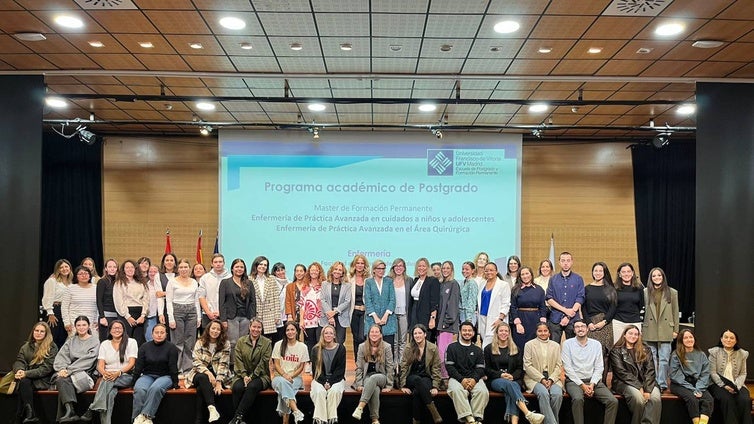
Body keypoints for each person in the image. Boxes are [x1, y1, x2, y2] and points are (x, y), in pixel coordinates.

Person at [485, 322, 545, 424]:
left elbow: (520, 369)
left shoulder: (516, 349)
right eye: (501, 331)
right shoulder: (488, 349)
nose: (503, 333)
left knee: (511, 390)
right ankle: (527, 413)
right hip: (496, 380)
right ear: (497, 333)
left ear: (509, 333)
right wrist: (500, 375)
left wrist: (512, 376)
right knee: (511, 385)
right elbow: (487, 369)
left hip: (513, 379)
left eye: (506, 331)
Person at [79, 319, 138, 424]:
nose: (117, 330)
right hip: (108, 376)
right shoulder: (105, 344)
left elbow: (131, 363)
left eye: (119, 328)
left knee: (107, 382)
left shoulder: (131, 342)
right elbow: (100, 365)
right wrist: (104, 373)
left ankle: (92, 408)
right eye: (114, 328)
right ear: (110, 330)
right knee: (109, 395)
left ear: (124, 330)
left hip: (125, 375)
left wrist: (118, 373)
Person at [561, 320, 618, 424]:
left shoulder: (596, 344)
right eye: (577, 327)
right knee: (578, 399)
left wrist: (592, 384)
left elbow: (599, 367)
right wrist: (582, 385)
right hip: (574, 381)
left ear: (587, 329)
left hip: (593, 381)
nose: (580, 329)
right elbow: (568, 369)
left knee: (612, 401)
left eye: (582, 326)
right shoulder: (567, 344)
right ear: (574, 330)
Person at [608, 325, 661, 424]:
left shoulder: (646, 349)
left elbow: (650, 370)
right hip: (623, 382)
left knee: (655, 398)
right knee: (638, 399)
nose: (633, 336)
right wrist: (639, 387)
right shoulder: (616, 350)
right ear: (624, 335)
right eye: (630, 333)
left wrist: (648, 389)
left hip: (646, 382)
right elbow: (621, 372)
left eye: (636, 334)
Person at [7, 322, 58, 424]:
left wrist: (26, 373)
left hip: (43, 379)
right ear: (33, 332)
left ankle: (20, 416)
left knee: (24, 382)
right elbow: (19, 361)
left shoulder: (52, 347)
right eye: (36, 330)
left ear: (46, 333)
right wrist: (19, 370)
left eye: (42, 331)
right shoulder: (26, 346)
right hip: (27, 377)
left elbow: (46, 369)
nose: (38, 333)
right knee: (24, 382)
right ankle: (30, 415)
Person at [52, 316, 99, 423]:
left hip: (86, 374)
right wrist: (62, 369)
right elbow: (61, 357)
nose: (81, 327)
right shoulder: (71, 341)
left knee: (61, 381)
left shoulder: (94, 341)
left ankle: (66, 414)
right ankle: (69, 412)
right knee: (61, 380)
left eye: (84, 325)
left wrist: (69, 371)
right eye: (78, 325)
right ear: (75, 327)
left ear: (88, 326)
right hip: (68, 373)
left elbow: (88, 361)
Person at [131, 324, 180, 424]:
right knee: (140, 389)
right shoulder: (144, 347)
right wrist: (133, 382)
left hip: (165, 376)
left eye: (162, 333)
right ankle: (136, 420)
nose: (159, 335)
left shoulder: (171, 348)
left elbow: (173, 367)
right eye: (156, 332)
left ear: (166, 334)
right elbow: (139, 366)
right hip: (147, 375)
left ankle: (146, 416)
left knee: (155, 388)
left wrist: (175, 383)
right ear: (152, 334)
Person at [185, 319, 232, 424]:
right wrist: (208, 373)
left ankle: (199, 420)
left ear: (221, 332)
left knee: (201, 389)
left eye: (218, 329)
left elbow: (224, 364)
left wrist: (219, 381)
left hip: (218, 373)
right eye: (213, 328)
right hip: (200, 372)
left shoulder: (226, 344)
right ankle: (212, 407)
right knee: (202, 378)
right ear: (208, 329)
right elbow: (196, 361)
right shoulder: (200, 341)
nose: (215, 331)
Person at [642, 267, 679, 391]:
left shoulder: (672, 292)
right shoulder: (645, 292)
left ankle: (662, 383)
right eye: (654, 276)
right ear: (650, 278)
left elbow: (675, 311)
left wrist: (676, 330)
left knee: (664, 359)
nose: (657, 278)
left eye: (659, 275)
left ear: (663, 277)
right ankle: (652, 383)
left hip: (666, 329)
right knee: (651, 359)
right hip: (650, 329)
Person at [229, 318, 272, 424]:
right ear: (249, 327)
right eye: (254, 327)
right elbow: (237, 360)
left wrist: (252, 377)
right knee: (237, 387)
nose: (256, 329)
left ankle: (237, 417)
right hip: (241, 374)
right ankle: (241, 420)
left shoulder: (267, 343)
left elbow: (264, 363)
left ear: (262, 329)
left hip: (260, 376)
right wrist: (244, 375)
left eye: (259, 327)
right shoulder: (241, 341)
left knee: (252, 386)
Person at [445, 321, 489, 424]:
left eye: (469, 331)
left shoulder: (478, 350)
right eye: (464, 330)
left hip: (475, 378)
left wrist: (474, 379)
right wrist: (461, 379)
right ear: (460, 332)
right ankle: (469, 418)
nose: (467, 333)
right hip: (456, 378)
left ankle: (476, 418)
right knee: (456, 390)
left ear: (473, 333)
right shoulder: (451, 347)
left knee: (483, 392)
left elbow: (480, 369)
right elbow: (450, 368)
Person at [400, 324, 443, 424]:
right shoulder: (408, 347)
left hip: (426, 377)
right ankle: (434, 411)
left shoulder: (433, 348)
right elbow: (404, 367)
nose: (417, 335)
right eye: (415, 333)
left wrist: (435, 386)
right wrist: (403, 385)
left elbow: (436, 369)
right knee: (416, 380)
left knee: (417, 392)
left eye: (420, 333)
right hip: (411, 377)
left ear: (425, 334)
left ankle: (416, 421)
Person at [352, 324, 394, 424]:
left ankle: (360, 407)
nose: (374, 334)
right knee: (374, 389)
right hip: (367, 376)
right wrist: (359, 384)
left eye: (376, 332)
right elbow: (359, 367)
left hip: (381, 376)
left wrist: (389, 385)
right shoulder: (362, 347)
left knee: (374, 378)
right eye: (372, 332)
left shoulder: (386, 346)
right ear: (368, 334)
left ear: (380, 335)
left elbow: (390, 366)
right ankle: (375, 419)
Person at [670, 329, 713, 424]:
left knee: (708, 400)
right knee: (692, 399)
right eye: (686, 338)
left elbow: (705, 373)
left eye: (691, 337)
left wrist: (698, 388)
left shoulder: (701, 354)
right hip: (680, 384)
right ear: (681, 340)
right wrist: (693, 390)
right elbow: (675, 375)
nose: (689, 340)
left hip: (697, 383)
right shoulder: (675, 354)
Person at [166, 258, 201, 374]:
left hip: (191, 312)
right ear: (177, 268)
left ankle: (188, 369)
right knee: (178, 342)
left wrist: (199, 317)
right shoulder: (172, 282)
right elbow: (168, 301)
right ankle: (178, 369)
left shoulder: (194, 282)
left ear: (189, 268)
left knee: (190, 342)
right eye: (181, 267)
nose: (183, 269)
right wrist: (171, 318)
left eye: (186, 267)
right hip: (177, 311)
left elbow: (196, 300)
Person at [523, 323, 563, 424]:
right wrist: (541, 379)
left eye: (545, 331)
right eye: (540, 331)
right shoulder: (529, 345)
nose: (543, 333)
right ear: (536, 332)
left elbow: (559, 366)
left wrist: (551, 379)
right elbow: (527, 365)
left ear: (549, 332)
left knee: (557, 394)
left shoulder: (556, 346)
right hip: (534, 378)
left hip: (553, 378)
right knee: (543, 393)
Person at [708, 329, 750, 424]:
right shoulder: (714, 352)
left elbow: (743, 373)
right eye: (726, 337)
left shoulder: (742, 354)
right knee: (727, 400)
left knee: (745, 400)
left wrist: (737, 386)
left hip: (737, 384)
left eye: (732, 338)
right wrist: (724, 386)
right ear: (721, 339)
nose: (728, 340)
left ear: (736, 341)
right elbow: (712, 373)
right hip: (718, 384)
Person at [271, 322, 308, 424]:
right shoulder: (278, 345)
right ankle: (296, 411)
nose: (290, 332)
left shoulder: (303, 347)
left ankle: (286, 421)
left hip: (295, 378)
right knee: (284, 384)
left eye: (292, 330)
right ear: (285, 332)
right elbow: (276, 365)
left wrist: (290, 376)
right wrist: (284, 375)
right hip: (279, 377)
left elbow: (301, 367)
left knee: (284, 389)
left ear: (297, 331)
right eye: (288, 330)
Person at [219, 258, 257, 358]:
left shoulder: (249, 283)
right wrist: (223, 320)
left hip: (246, 317)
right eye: (237, 267)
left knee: (244, 343)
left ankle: (242, 366)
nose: (239, 269)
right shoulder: (225, 283)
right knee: (233, 343)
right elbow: (221, 302)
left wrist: (252, 318)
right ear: (232, 269)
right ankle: (233, 366)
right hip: (231, 318)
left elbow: (253, 302)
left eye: (241, 267)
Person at [310, 325, 347, 424]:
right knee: (319, 392)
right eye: (326, 333)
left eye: (331, 333)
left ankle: (331, 420)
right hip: (319, 379)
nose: (328, 335)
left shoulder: (341, 349)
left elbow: (340, 371)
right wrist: (324, 382)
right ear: (322, 335)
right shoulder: (316, 349)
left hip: (336, 379)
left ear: (334, 335)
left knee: (334, 392)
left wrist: (329, 382)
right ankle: (321, 421)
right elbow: (315, 372)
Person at [546, 252, 585, 342]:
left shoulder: (578, 278)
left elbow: (580, 298)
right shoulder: (553, 279)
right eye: (563, 261)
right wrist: (566, 311)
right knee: (554, 347)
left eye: (568, 260)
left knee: (573, 347)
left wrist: (568, 315)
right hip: (555, 318)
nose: (566, 263)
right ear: (559, 262)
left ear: (572, 262)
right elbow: (549, 298)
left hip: (573, 319)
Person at [509, 266, 547, 350]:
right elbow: (513, 307)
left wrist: (542, 323)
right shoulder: (515, 289)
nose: (525, 276)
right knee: (520, 346)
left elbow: (542, 306)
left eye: (527, 273)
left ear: (531, 274)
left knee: (535, 347)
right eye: (522, 274)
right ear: (519, 276)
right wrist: (518, 323)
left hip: (535, 321)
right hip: (521, 321)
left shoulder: (539, 289)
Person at [113, 259, 149, 345]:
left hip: (140, 314)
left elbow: (146, 299)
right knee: (126, 339)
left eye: (132, 267)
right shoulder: (119, 283)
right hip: (126, 314)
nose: (130, 269)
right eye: (127, 267)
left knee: (139, 341)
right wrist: (127, 316)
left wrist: (143, 315)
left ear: (136, 269)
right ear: (123, 270)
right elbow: (118, 301)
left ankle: (138, 358)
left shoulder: (142, 282)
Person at [583, 262, 617, 352]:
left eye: (600, 271)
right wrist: (589, 323)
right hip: (591, 325)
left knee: (606, 353)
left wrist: (604, 322)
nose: (598, 273)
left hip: (606, 324)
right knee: (591, 351)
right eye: (595, 271)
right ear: (592, 272)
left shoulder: (611, 289)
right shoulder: (587, 288)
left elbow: (613, 308)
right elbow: (583, 308)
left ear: (604, 272)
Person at [437, 260, 460, 385]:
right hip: (440, 325)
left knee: (444, 353)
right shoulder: (443, 283)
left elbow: (453, 304)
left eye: (447, 268)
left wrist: (447, 321)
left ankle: (445, 379)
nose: (445, 270)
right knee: (440, 351)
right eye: (443, 268)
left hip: (447, 325)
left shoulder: (454, 284)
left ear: (451, 270)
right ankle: (441, 377)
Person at [388, 257, 412, 377]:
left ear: (404, 268)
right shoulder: (388, 280)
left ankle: (401, 366)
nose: (399, 268)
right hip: (391, 314)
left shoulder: (409, 280)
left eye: (401, 266)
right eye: (396, 266)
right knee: (394, 341)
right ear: (393, 267)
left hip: (404, 314)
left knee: (403, 341)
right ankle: (393, 366)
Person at [250, 256, 282, 344]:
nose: (263, 266)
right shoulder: (249, 279)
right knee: (255, 341)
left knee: (267, 342)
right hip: (255, 314)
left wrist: (277, 315)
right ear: (255, 265)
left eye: (265, 265)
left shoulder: (271, 279)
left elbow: (276, 297)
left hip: (269, 315)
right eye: (261, 264)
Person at [365, 260, 397, 348]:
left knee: (389, 347)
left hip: (388, 319)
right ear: (374, 270)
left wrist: (385, 316)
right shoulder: (368, 282)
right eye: (379, 268)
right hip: (372, 319)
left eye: (383, 268)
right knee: (372, 348)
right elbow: (368, 300)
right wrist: (375, 317)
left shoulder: (389, 281)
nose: (381, 270)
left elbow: (392, 300)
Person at [477, 262, 510, 347]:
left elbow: (506, 303)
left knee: (493, 345)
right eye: (486, 271)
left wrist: (500, 319)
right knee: (485, 343)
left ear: (496, 271)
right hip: (483, 318)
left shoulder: (503, 285)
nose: (489, 272)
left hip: (496, 319)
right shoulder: (482, 284)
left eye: (491, 270)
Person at [42, 259, 73, 349]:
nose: (64, 269)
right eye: (61, 267)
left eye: (66, 266)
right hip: (55, 311)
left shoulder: (71, 283)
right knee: (52, 338)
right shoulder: (52, 281)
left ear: (70, 268)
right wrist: (50, 313)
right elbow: (47, 297)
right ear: (58, 270)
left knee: (63, 338)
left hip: (66, 312)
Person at [62, 266, 100, 339]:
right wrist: (66, 322)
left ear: (90, 276)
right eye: (81, 274)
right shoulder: (70, 288)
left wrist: (97, 320)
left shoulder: (96, 288)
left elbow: (99, 306)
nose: (84, 276)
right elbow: (64, 307)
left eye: (86, 273)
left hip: (92, 323)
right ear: (76, 276)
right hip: (74, 323)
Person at [320, 261, 352, 344]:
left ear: (342, 273)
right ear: (331, 270)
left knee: (339, 343)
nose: (337, 271)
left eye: (340, 270)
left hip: (341, 318)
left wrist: (335, 311)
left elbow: (347, 301)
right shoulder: (324, 284)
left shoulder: (347, 285)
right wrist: (330, 315)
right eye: (335, 269)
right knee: (327, 343)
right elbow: (322, 300)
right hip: (327, 318)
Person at [612, 263, 645, 344]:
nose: (626, 274)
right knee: (618, 346)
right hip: (618, 322)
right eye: (623, 272)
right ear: (619, 274)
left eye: (628, 271)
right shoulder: (614, 287)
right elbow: (612, 306)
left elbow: (642, 305)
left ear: (632, 273)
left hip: (635, 321)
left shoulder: (639, 287)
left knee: (636, 347)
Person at [410, 258, 440, 342]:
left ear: (427, 268)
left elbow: (434, 302)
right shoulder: (416, 280)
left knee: (426, 341)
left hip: (426, 316)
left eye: (423, 266)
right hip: (414, 314)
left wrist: (432, 318)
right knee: (414, 341)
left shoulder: (433, 281)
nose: (421, 268)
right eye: (419, 266)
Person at [199, 254, 231, 330]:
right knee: (206, 340)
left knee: (223, 339)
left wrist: (221, 312)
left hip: (225, 315)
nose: (218, 264)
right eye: (216, 262)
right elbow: (201, 297)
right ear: (212, 264)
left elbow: (230, 299)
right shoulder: (205, 278)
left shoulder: (230, 277)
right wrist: (208, 312)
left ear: (224, 263)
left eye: (220, 262)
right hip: (208, 314)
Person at [349, 256, 370, 361]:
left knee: (363, 338)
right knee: (356, 338)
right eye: (358, 263)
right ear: (354, 265)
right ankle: (358, 364)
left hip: (365, 313)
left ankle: (364, 361)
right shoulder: (349, 279)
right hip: (353, 312)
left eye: (362, 263)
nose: (360, 265)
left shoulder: (369, 279)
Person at [302, 262, 325, 355]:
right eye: (312, 270)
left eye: (316, 270)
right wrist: (301, 320)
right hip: (308, 321)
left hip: (321, 319)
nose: (314, 272)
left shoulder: (324, 285)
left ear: (319, 272)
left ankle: (320, 365)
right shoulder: (305, 286)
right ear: (309, 272)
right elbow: (302, 304)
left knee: (320, 344)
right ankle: (310, 364)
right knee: (310, 344)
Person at [97, 259, 119, 342]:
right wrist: (102, 317)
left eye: (114, 267)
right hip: (106, 317)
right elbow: (99, 300)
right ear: (106, 268)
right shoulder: (102, 281)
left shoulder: (119, 282)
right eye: (110, 267)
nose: (112, 269)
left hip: (118, 316)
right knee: (105, 341)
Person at [145, 265, 164, 342]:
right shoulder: (145, 285)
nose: (152, 274)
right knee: (150, 338)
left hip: (162, 315)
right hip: (150, 316)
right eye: (150, 272)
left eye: (155, 272)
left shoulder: (163, 285)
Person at [272, 262, 289, 343]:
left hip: (286, 316)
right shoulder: (272, 282)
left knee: (285, 340)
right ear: (274, 272)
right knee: (276, 340)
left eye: (282, 270)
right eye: (278, 271)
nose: (280, 272)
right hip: (275, 317)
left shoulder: (289, 283)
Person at [459, 262, 478, 326]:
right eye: (463, 269)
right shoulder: (463, 282)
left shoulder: (472, 283)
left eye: (467, 269)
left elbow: (472, 301)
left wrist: (469, 319)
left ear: (472, 271)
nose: (464, 271)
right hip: (462, 314)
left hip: (469, 316)